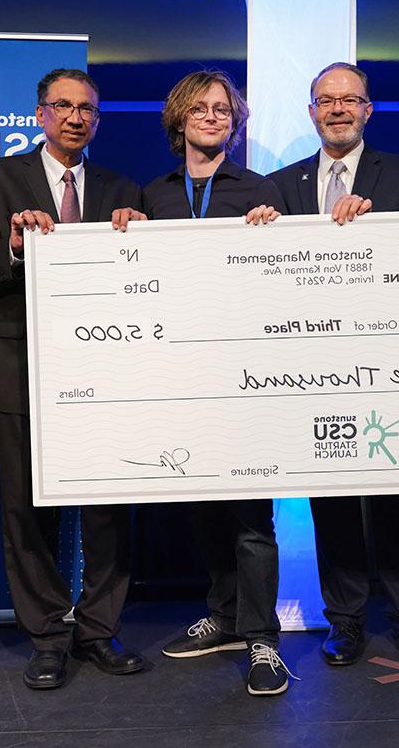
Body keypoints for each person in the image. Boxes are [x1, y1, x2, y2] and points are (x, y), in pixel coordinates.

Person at [0, 68, 144, 690]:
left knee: (106, 511)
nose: (75, 117)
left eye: (87, 109)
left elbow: (144, 286)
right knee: (25, 509)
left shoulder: (125, 189)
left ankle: (99, 630)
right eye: (63, 106)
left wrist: (141, 242)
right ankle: (47, 635)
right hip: (23, 367)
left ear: (98, 119)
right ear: (40, 114)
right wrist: (16, 245)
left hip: (105, 368)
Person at [269, 62, 399, 667]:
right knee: (332, 497)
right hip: (315, 364)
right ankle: (344, 621)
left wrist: (378, 228)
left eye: (350, 100)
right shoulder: (281, 184)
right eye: (326, 100)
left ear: (369, 110)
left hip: (389, 360)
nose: (338, 109)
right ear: (312, 111)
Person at [142, 70, 292, 697]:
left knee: (252, 520)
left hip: (246, 379)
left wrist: (276, 230)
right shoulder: (152, 195)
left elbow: (287, 280)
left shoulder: (260, 192)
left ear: (236, 121)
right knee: (205, 509)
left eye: (223, 109)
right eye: (200, 108)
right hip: (181, 376)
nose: (212, 117)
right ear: (179, 118)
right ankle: (225, 617)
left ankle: (262, 641)